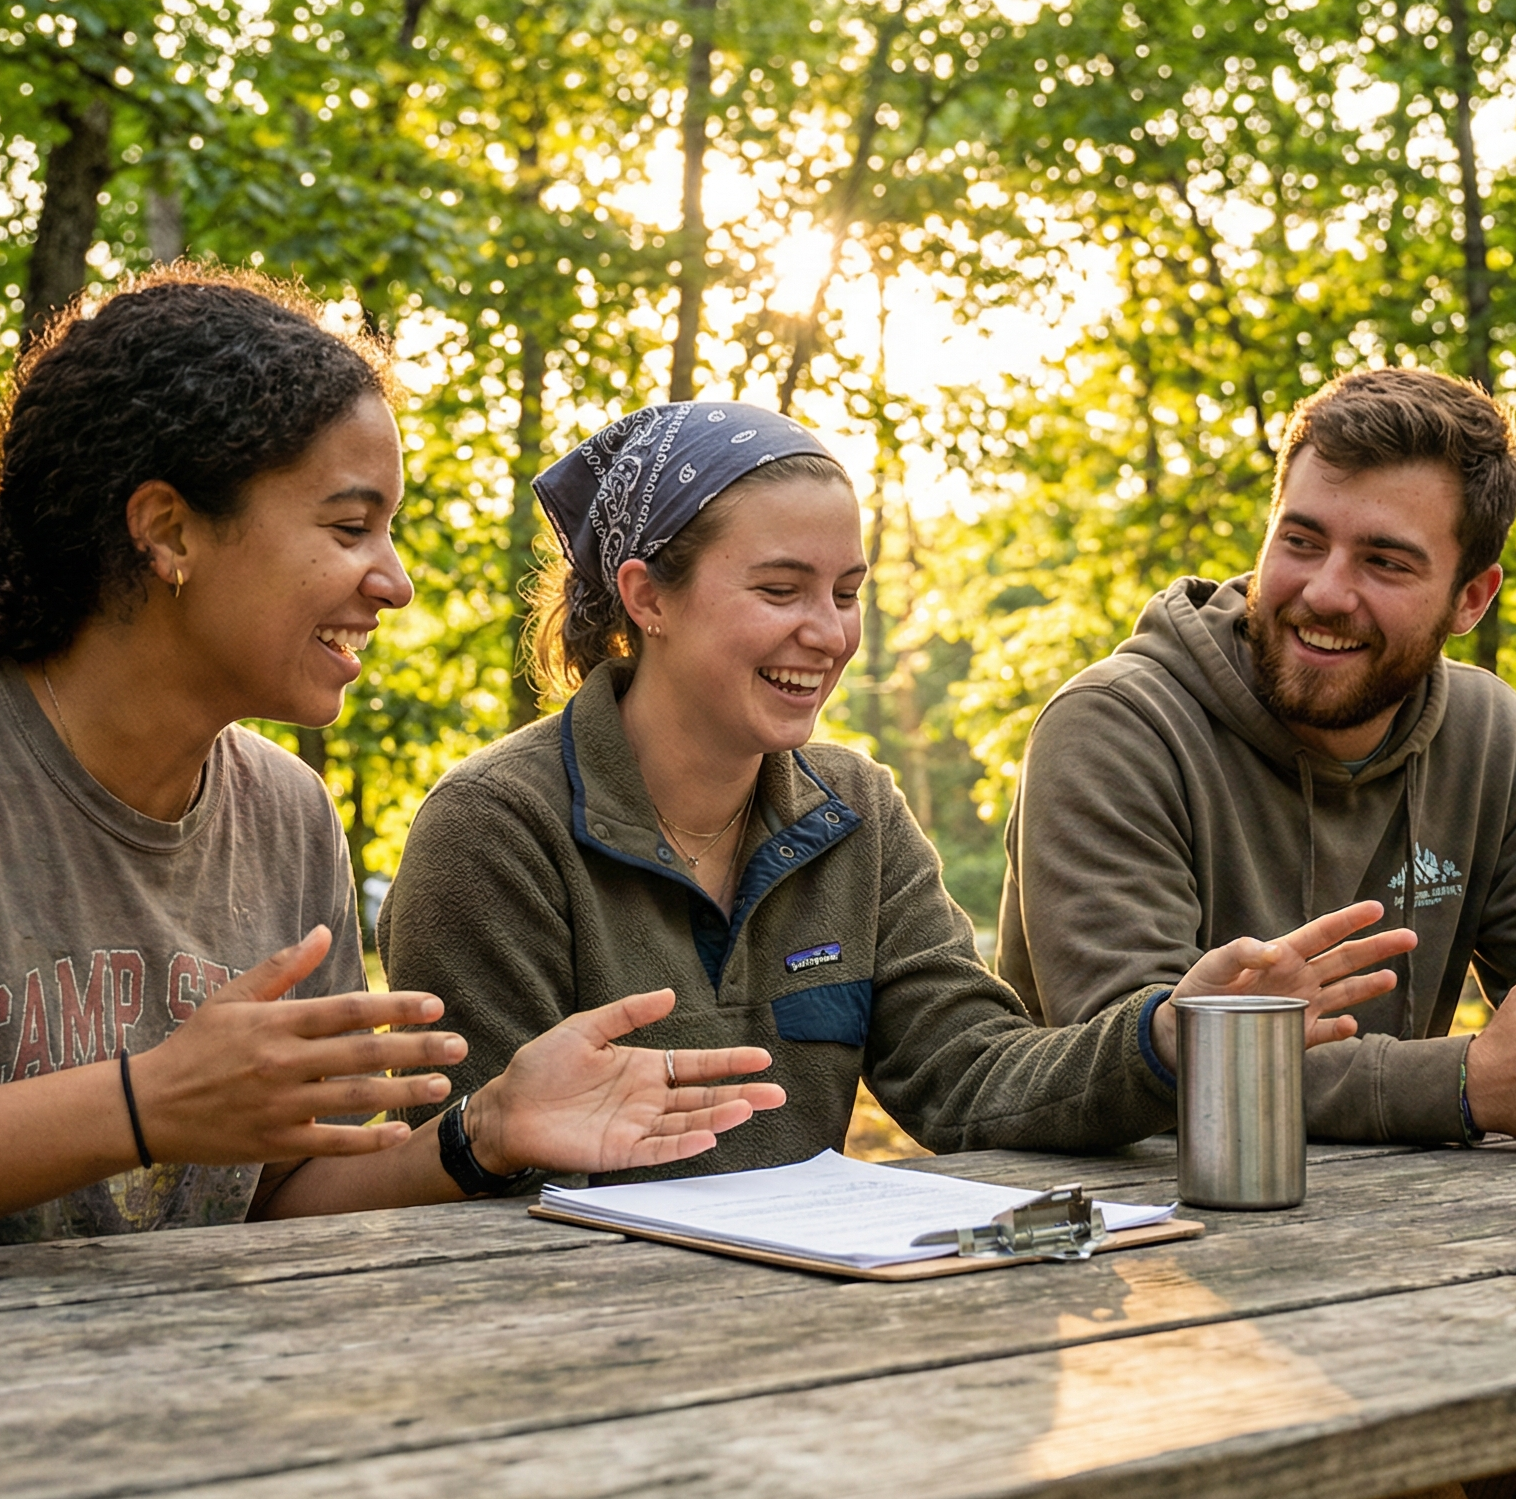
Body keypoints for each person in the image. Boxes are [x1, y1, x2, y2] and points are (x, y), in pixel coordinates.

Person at [0, 268, 782, 1275]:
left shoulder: (285, 811)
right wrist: (140, 1105)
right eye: (347, 526)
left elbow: (273, 1202)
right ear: (167, 531)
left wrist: (481, 1134)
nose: (395, 581)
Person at [377, 401, 1410, 1183]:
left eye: (846, 594)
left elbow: (970, 1077)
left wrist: (1161, 1037)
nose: (826, 635)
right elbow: (471, 1171)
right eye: (779, 591)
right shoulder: (493, 831)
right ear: (648, 597)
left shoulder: (855, 810)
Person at [999, 367, 1516, 1149]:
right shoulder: (1114, 726)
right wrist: (1469, 1084)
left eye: (1385, 562)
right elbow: (1143, 1063)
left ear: (1472, 599)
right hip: (1134, 1237)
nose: (1328, 592)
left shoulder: (1487, 732)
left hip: (1404, 1233)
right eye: (1301, 542)